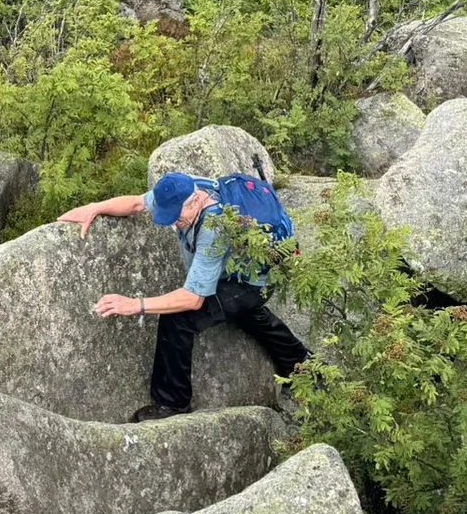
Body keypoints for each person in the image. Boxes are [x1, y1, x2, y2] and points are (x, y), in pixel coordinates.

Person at [59, 171, 311, 422]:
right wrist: (94, 208)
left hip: (251, 283)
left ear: (196, 201)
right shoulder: (182, 190)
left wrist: (135, 305)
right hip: (242, 267)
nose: (173, 223)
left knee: (179, 319)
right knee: (247, 314)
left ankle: (172, 402)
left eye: (176, 217)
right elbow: (136, 203)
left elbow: (193, 299)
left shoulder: (215, 229)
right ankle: (301, 363)